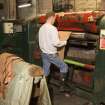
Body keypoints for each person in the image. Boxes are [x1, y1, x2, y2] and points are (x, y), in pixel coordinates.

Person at [38, 11, 69, 91]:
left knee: (46, 71)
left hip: (44, 53)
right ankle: (62, 86)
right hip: (51, 54)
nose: (55, 20)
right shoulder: (52, 28)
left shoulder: (41, 28)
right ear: (52, 17)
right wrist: (65, 42)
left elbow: (40, 41)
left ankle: (44, 87)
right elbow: (56, 43)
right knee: (64, 66)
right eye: (55, 18)